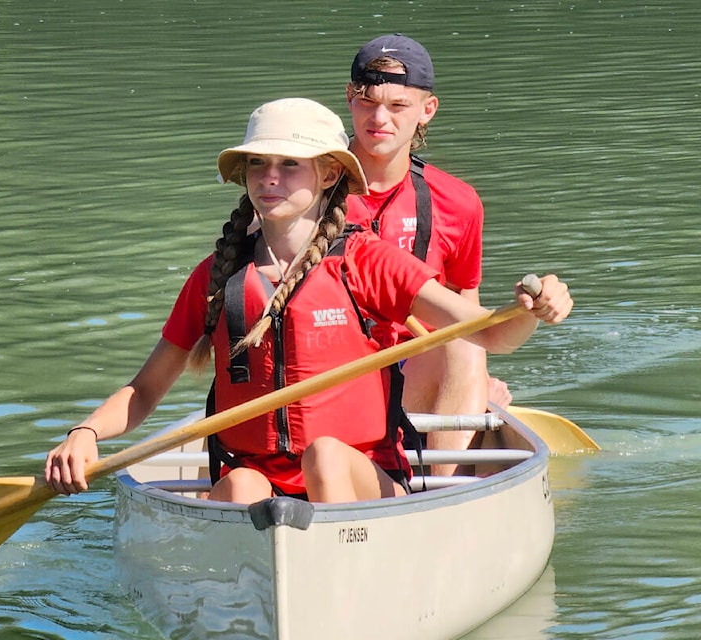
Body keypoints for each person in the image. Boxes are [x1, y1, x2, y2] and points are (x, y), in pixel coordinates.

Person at [44, 97, 572, 504]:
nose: (270, 178)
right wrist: (85, 433)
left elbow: (491, 334)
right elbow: (144, 390)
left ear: (327, 175)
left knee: (323, 456)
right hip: (258, 483)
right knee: (242, 487)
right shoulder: (218, 277)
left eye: (290, 165)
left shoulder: (367, 263)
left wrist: (537, 308)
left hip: (363, 481)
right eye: (258, 164)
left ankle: (339, 572)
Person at [344, 33, 507, 473]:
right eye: (367, 101)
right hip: (332, 365)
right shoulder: (305, 190)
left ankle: (446, 483)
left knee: (463, 343)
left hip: (412, 372)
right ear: (349, 100)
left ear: (426, 111)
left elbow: (464, 302)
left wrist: (473, 377)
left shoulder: (458, 202)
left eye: (398, 106)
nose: (379, 118)